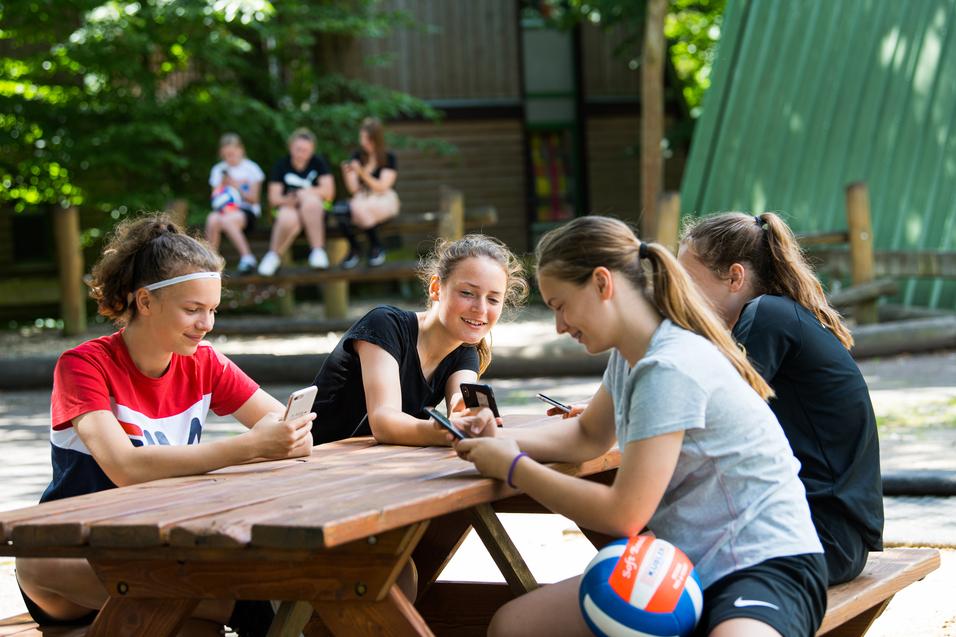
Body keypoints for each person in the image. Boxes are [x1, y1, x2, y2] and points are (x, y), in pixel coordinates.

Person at [451, 216, 827, 637]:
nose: (559, 326)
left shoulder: (669, 365)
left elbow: (624, 514)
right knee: (514, 625)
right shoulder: (631, 354)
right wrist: (496, 437)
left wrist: (514, 466)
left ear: (601, 283)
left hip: (763, 565)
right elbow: (586, 435)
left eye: (560, 306)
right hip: (681, 564)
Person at [15, 215, 314, 637]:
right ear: (145, 301)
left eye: (212, 310)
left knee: (197, 628)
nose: (206, 324)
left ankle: (259, 611)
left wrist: (287, 436)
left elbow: (290, 429)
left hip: (155, 552)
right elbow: (125, 467)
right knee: (245, 599)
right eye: (192, 310)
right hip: (69, 559)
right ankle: (258, 613)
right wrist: (251, 446)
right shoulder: (83, 365)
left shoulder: (204, 361)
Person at [678, 211, 883, 585]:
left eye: (688, 282)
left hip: (822, 537)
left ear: (735, 277)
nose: (679, 295)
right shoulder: (776, 315)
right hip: (817, 532)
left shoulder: (768, 316)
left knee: (663, 573)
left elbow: (710, 412)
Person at [310, 234, 527, 445]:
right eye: (467, 293)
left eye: (493, 299)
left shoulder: (465, 350)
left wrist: (471, 417)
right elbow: (384, 421)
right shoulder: (385, 325)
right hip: (307, 462)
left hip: (366, 467)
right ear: (436, 288)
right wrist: (444, 432)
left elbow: (462, 402)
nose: (480, 309)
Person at [258, 128, 335, 276]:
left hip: (315, 211)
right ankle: (273, 255)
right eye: (298, 149)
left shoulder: (319, 163)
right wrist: (291, 199)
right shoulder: (281, 165)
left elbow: (329, 192)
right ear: (291, 147)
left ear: (312, 150)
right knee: (288, 218)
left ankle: (317, 250)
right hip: (289, 208)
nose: (301, 153)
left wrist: (303, 194)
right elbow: (273, 199)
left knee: (310, 202)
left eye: (306, 150)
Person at [336, 117, 400, 268]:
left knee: (357, 209)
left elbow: (382, 187)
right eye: (362, 138)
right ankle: (365, 247)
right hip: (362, 198)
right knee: (341, 210)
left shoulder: (388, 157)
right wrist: (347, 174)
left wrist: (362, 173)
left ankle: (370, 248)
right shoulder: (357, 156)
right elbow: (354, 189)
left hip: (383, 199)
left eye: (367, 139)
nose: (364, 142)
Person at [204, 133, 265, 274]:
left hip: (246, 211)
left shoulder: (251, 168)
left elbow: (254, 199)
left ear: (241, 150)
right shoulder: (218, 170)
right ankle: (210, 261)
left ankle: (247, 257)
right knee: (212, 218)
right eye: (226, 155)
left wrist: (235, 186)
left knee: (227, 220)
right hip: (224, 210)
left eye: (232, 153)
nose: (230, 158)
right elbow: (215, 198)